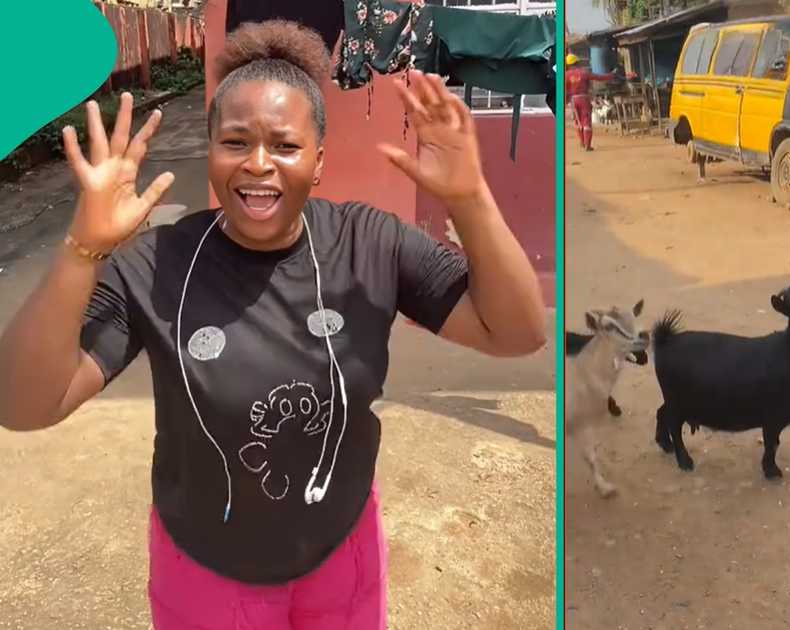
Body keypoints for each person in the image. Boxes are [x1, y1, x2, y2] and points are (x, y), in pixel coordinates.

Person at [0, 20, 546, 630]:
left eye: (284, 146)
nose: (258, 164)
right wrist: (82, 250)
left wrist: (470, 197)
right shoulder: (157, 266)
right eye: (236, 142)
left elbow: (518, 332)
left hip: (343, 557)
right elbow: (25, 405)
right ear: (210, 152)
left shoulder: (370, 244)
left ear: (318, 161)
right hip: (206, 575)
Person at [564, 53, 619, 151]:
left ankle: (582, 142)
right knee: (586, 122)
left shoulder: (566, 75)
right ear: (577, 62)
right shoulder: (584, 73)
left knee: (577, 121)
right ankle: (587, 145)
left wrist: (566, 101)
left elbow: (564, 90)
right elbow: (599, 77)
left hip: (573, 100)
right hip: (584, 99)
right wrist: (611, 75)